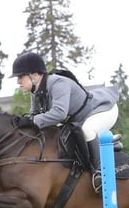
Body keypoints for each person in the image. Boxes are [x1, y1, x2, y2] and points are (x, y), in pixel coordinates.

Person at [8, 52, 119, 192]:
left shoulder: (58, 83)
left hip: (103, 110)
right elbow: (35, 116)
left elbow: (59, 114)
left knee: (88, 130)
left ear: (34, 75)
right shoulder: (36, 92)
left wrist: (32, 121)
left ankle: (100, 173)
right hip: (78, 120)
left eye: (20, 77)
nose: (18, 81)